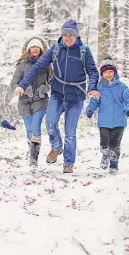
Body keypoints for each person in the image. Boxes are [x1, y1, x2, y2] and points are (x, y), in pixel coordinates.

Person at [14, 19, 100, 173]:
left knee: (70, 132)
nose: (67, 38)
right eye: (65, 34)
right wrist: (23, 84)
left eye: (71, 35)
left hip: (76, 96)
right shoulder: (55, 49)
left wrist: (92, 88)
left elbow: (93, 72)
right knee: (50, 122)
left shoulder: (84, 51)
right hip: (58, 94)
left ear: (76, 36)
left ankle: (68, 163)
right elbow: (37, 67)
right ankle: (56, 147)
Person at [85, 57, 129, 174]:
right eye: (106, 72)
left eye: (111, 72)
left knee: (115, 146)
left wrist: (128, 109)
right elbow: (94, 101)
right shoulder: (99, 88)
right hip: (104, 122)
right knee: (104, 144)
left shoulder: (122, 87)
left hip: (119, 121)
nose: (108, 74)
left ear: (115, 73)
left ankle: (113, 166)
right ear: (102, 73)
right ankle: (105, 155)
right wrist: (90, 110)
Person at [10, 36, 51, 168]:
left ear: (40, 50)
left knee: (36, 126)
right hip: (25, 101)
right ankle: (32, 150)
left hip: (40, 100)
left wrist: (46, 87)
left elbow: (53, 82)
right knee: (29, 130)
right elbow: (13, 84)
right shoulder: (21, 66)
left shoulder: (46, 65)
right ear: (28, 49)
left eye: (37, 47)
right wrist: (21, 88)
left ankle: (33, 158)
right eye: (32, 47)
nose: (35, 49)